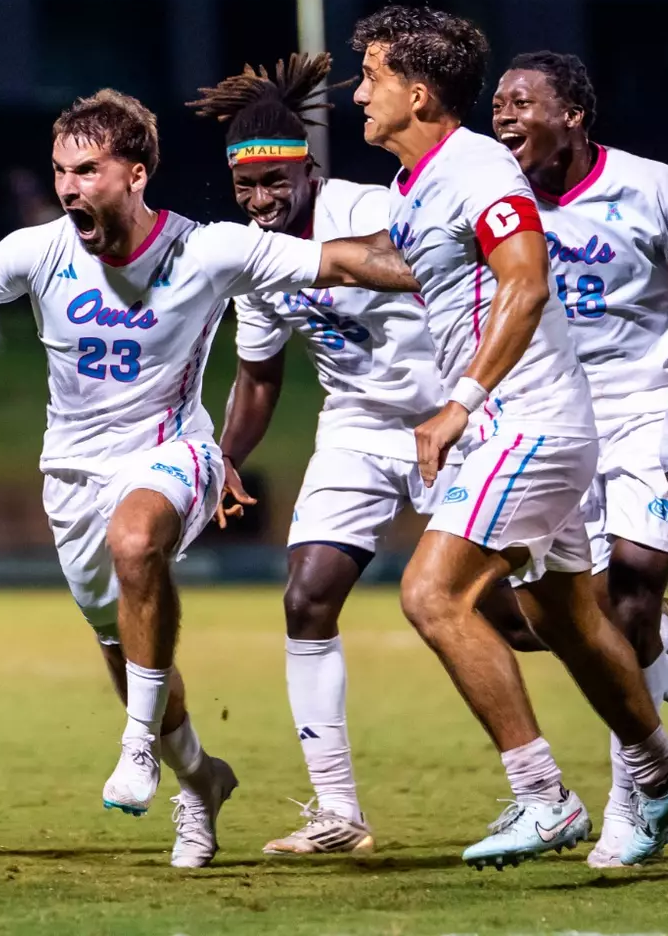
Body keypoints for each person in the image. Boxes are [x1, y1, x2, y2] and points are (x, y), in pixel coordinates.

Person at [0, 88, 419, 868]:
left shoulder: (209, 249)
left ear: (138, 173)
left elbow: (347, 260)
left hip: (173, 452)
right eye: (59, 171)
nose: (68, 188)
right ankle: (199, 779)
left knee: (135, 540)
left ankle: (136, 751)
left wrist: (476, 251)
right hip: (70, 473)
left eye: (87, 170)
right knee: (121, 644)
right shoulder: (37, 251)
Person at [349, 5, 668, 869]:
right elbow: (403, 266)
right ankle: (664, 772)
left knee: (432, 596)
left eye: (370, 77)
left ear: (418, 91)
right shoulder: (420, 183)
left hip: (526, 423)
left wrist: (460, 403)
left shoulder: (477, 170)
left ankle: (542, 799)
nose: (358, 93)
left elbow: (526, 283)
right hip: (532, 427)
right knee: (572, 623)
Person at [485, 52, 668, 866]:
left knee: (627, 599)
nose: (501, 116)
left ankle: (631, 801)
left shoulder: (654, 186)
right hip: (541, 415)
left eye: (519, 102)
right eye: (494, 104)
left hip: (645, 413)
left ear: (573, 113)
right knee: (519, 614)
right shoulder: (492, 199)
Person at [191, 54, 441, 855]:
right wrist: (224, 458)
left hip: (454, 419)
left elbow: (467, 280)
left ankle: (659, 665)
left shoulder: (371, 208)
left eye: (274, 185)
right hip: (357, 429)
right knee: (305, 597)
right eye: (244, 191)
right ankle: (338, 812)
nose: (261, 202)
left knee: (512, 617)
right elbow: (258, 379)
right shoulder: (253, 259)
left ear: (307, 169)